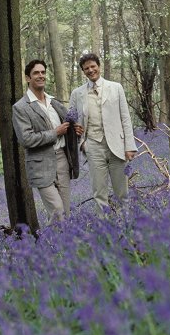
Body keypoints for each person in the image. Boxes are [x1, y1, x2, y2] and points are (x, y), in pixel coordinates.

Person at [12, 59, 82, 224]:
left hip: (62, 160)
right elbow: (26, 139)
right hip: (41, 165)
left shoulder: (54, 102)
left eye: (43, 72)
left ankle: (62, 247)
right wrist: (55, 133)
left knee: (65, 212)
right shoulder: (21, 107)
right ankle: (48, 246)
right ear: (28, 78)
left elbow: (67, 127)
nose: (41, 75)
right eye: (36, 73)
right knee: (57, 211)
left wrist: (75, 130)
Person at [69, 53, 137, 215]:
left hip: (117, 146)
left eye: (93, 66)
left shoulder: (116, 88)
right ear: (83, 72)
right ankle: (104, 232)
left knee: (122, 192)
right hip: (93, 146)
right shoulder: (77, 93)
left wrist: (129, 146)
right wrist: (80, 139)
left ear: (99, 66)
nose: (91, 70)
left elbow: (125, 118)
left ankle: (124, 227)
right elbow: (70, 119)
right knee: (99, 193)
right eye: (86, 69)